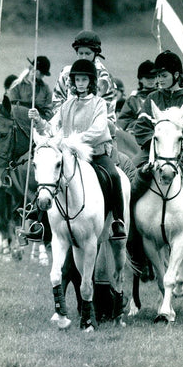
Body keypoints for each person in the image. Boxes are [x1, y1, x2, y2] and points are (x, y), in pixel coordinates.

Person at [27, 59, 127, 240]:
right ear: (72, 82)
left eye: (84, 80)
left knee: (113, 176)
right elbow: (51, 128)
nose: (80, 83)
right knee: (48, 172)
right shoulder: (67, 105)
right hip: (70, 156)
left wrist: (73, 140)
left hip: (95, 154)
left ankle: (118, 221)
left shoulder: (99, 104)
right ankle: (39, 218)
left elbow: (98, 130)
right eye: (77, 80)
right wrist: (38, 120)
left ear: (91, 82)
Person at [129, 50, 183, 244]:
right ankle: (125, 217)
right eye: (157, 75)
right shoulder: (151, 99)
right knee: (130, 172)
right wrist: (157, 144)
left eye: (163, 75)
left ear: (176, 76)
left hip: (182, 152)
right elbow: (140, 127)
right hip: (154, 150)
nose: (159, 79)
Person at [52, 30, 118, 129]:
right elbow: (57, 99)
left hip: (98, 127)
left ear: (95, 53)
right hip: (66, 124)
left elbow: (106, 111)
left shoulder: (105, 78)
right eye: (80, 53)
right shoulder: (66, 73)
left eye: (87, 53)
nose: (83, 57)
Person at [7, 56, 54, 120]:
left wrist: (41, 117)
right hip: (19, 122)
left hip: (38, 123)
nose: (43, 76)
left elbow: (49, 109)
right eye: (41, 73)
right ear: (34, 70)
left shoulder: (45, 88)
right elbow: (12, 106)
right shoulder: (17, 85)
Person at [117, 60, 156, 133]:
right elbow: (122, 123)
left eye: (153, 77)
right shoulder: (133, 99)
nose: (151, 80)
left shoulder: (161, 96)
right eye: (148, 78)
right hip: (138, 134)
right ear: (140, 79)